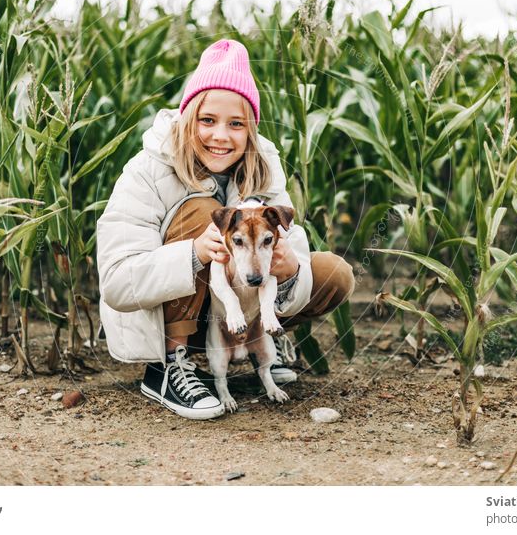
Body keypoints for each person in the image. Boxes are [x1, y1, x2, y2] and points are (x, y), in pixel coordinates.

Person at [96, 39, 355, 420]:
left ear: (250, 129)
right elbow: (117, 282)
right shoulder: (146, 170)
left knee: (333, 272)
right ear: (187, 118)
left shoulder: (263, 165)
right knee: (206, 210)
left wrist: (288, 271)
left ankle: (259, 343)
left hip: (235, 309)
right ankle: (170, 364)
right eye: (207, 120)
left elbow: (294, 247)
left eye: (236, 124)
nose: (221, 136)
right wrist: (195, 253)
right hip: (164, 316)